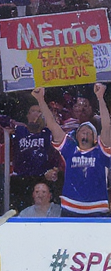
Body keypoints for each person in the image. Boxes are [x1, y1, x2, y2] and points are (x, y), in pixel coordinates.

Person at [35, 85, 111, 217]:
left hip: (97, 208)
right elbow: (52, 125)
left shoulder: (101, 152)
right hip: (70, 207)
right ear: (76, 136)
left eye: (89, 132)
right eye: (82, 131)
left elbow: (107, 127)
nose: (85, 133)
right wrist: (40, 99)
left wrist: (100, 98)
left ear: (95, 139)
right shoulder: (70, 149)